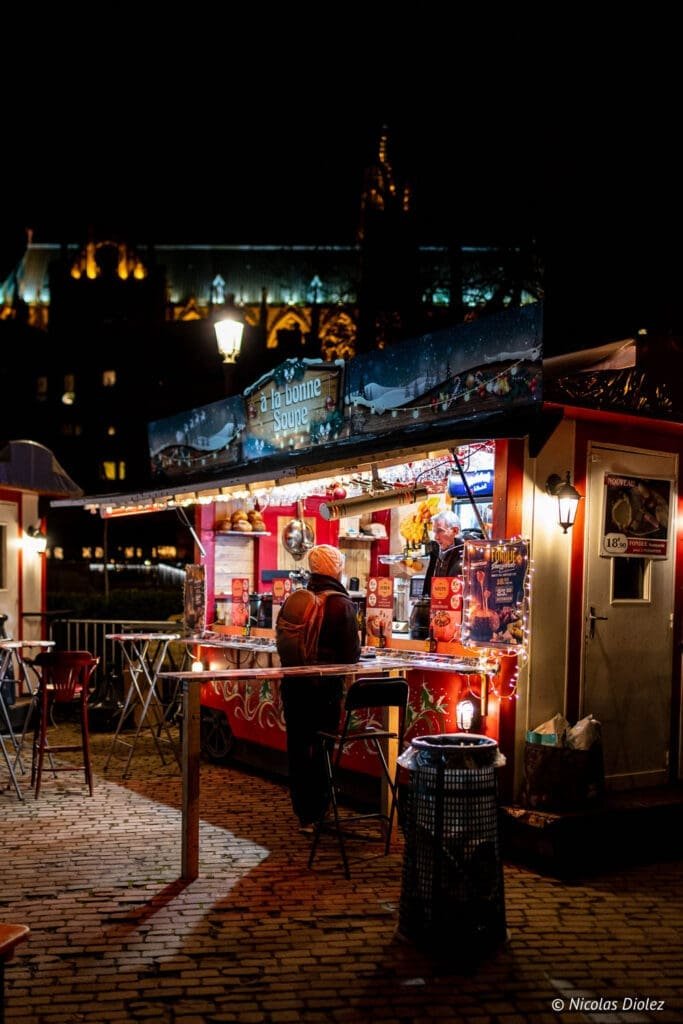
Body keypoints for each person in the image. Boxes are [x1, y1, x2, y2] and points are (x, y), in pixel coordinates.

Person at [278, 544, 361, 832]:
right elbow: (351, 656)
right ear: (337, 568)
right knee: (322, 747)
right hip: (324, 689)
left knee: (299, 747)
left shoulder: (297, 598)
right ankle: (320, 808)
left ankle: (305, 813)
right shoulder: (341, 603)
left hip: (293, 686)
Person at [422, 509, 464, 595]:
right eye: (434, 532)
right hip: (437, 604)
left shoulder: (466, 554)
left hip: (455, 605)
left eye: (440, 531)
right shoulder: (435, 550)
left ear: (455, 531)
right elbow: (428, 584)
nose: (436, 537)